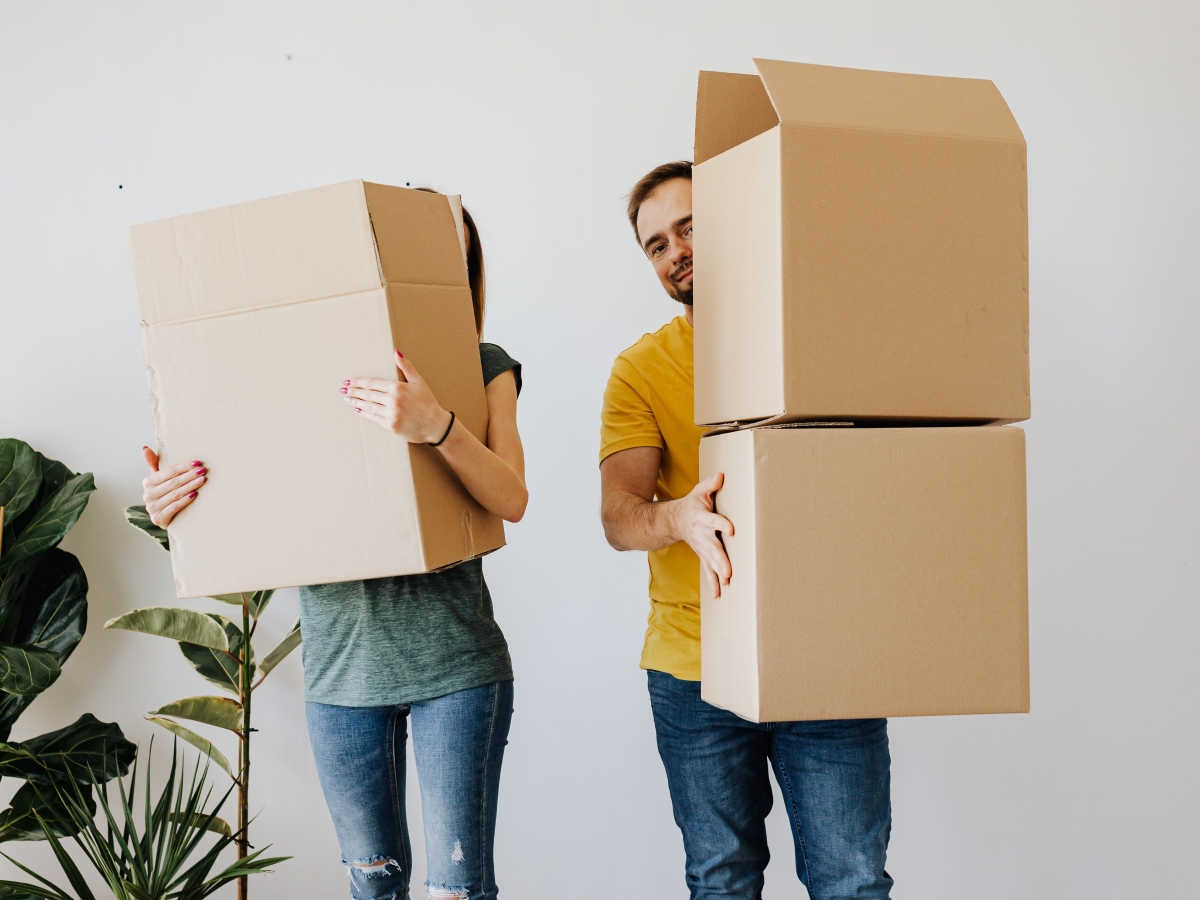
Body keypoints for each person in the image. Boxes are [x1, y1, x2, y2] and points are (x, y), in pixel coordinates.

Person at [140, 197, 526, 900]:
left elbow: (512, 498)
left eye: (452, 257)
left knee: (456, 890)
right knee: (372, 886)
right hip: (341, 679)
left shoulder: (483, 364)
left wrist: (435, 423)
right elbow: (244, 484)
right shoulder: (292, 366)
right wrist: (178, 504)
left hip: (457, 667)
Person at [599, 161, 893, 900]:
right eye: (657, 245)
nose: (676, 253)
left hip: (827, 653)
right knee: (721, 883)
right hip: (695, 668)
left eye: (689, 226)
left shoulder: (826, 339)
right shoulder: (639, 369)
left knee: (852, 882)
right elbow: (619, 516)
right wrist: (679, 518)